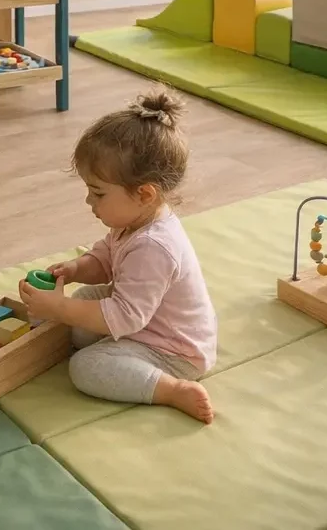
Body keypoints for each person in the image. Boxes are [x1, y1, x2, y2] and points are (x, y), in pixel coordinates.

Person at [18, 90, 218, 424]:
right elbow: (106, 259)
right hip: (144, 317)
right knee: (82, 312)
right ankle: (91, 332)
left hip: (174, 350)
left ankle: (170, 389)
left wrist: (58, 308)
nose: (88, 201)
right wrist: (77, 268)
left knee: (85, 367)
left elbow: (127, 318)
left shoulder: (155, 246)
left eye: (97, 193)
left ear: (144, 194)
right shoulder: (135, 220)